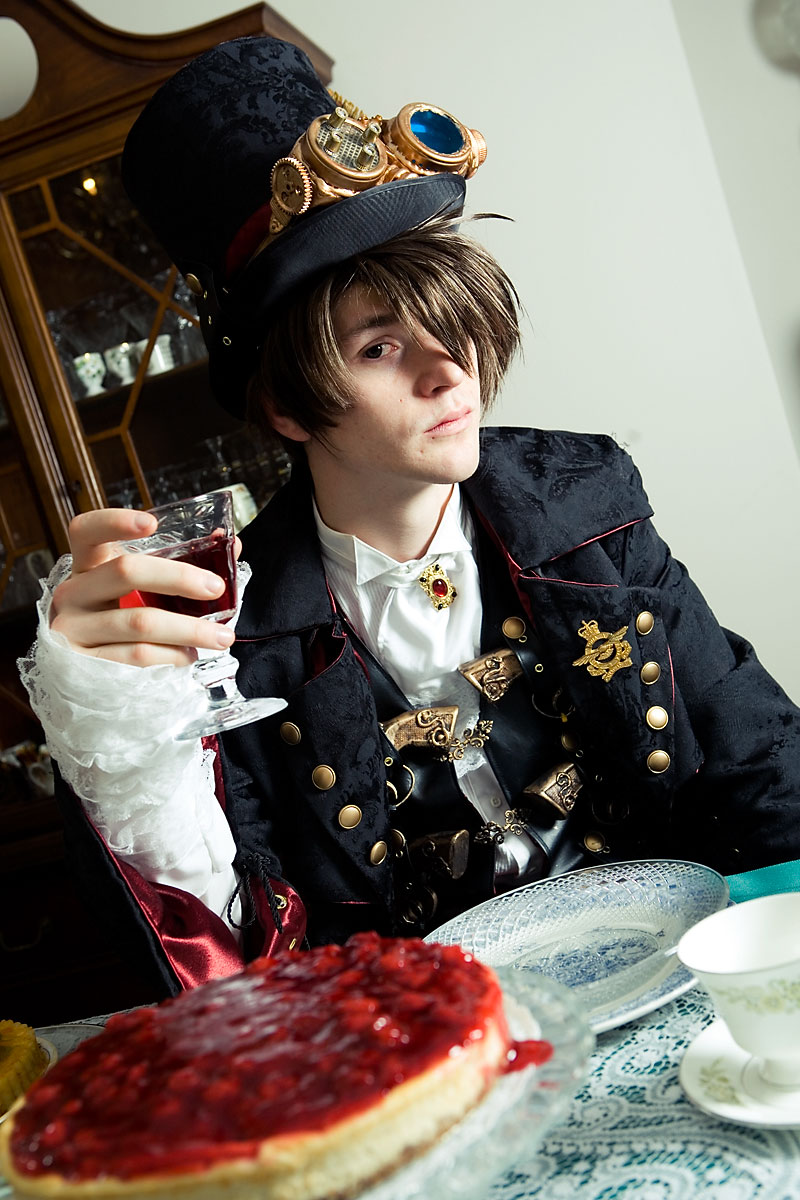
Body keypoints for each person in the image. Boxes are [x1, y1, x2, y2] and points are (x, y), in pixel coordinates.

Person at [19, 36, 800, 1000]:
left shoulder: (585, 492)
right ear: (287, 408)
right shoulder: (231, 631)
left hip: (673, 974)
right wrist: (112, 716)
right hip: (431, 1045)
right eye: (380, 347)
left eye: (449, 319)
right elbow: (235, 961)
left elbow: (758, 754)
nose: (448, 370)